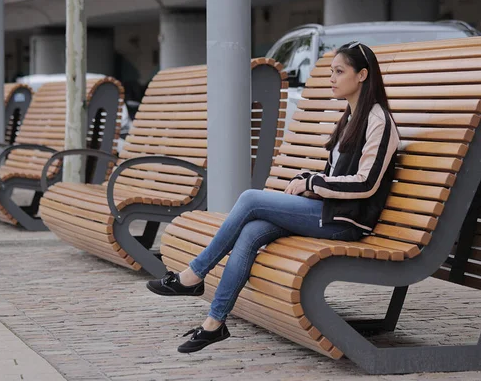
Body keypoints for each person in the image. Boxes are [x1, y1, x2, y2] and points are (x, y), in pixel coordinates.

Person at [146, 41, 400, 353]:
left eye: (339, 71)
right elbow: (335, 176)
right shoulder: (350, 117)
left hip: (346, 222)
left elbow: (365, 184)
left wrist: (312, 181)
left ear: (362, 75)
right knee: (252, 231)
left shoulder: (379, 121)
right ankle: (214, 324)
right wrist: (307, 181)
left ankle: (193, 275)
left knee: (251, 200)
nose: (332, 78)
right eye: (331, 71)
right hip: (328, 211)